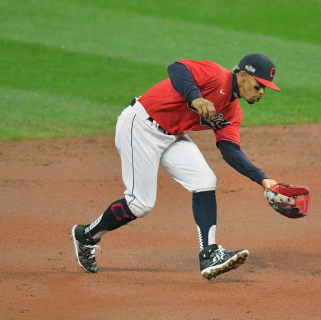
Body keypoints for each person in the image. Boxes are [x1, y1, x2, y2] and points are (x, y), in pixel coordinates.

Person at [71, 53, 281, 280]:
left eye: (265, 89)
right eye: (259, 86)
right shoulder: (216, 75)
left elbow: (230, 150)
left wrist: (263, 179)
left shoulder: (232, 111)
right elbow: (177, 69)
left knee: (205, 182)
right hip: (140, 125)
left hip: (171, 136)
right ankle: (87, 235)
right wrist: (195, 97)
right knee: (140, 204)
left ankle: (209, 254)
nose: (261, 93)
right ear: (242, 75)